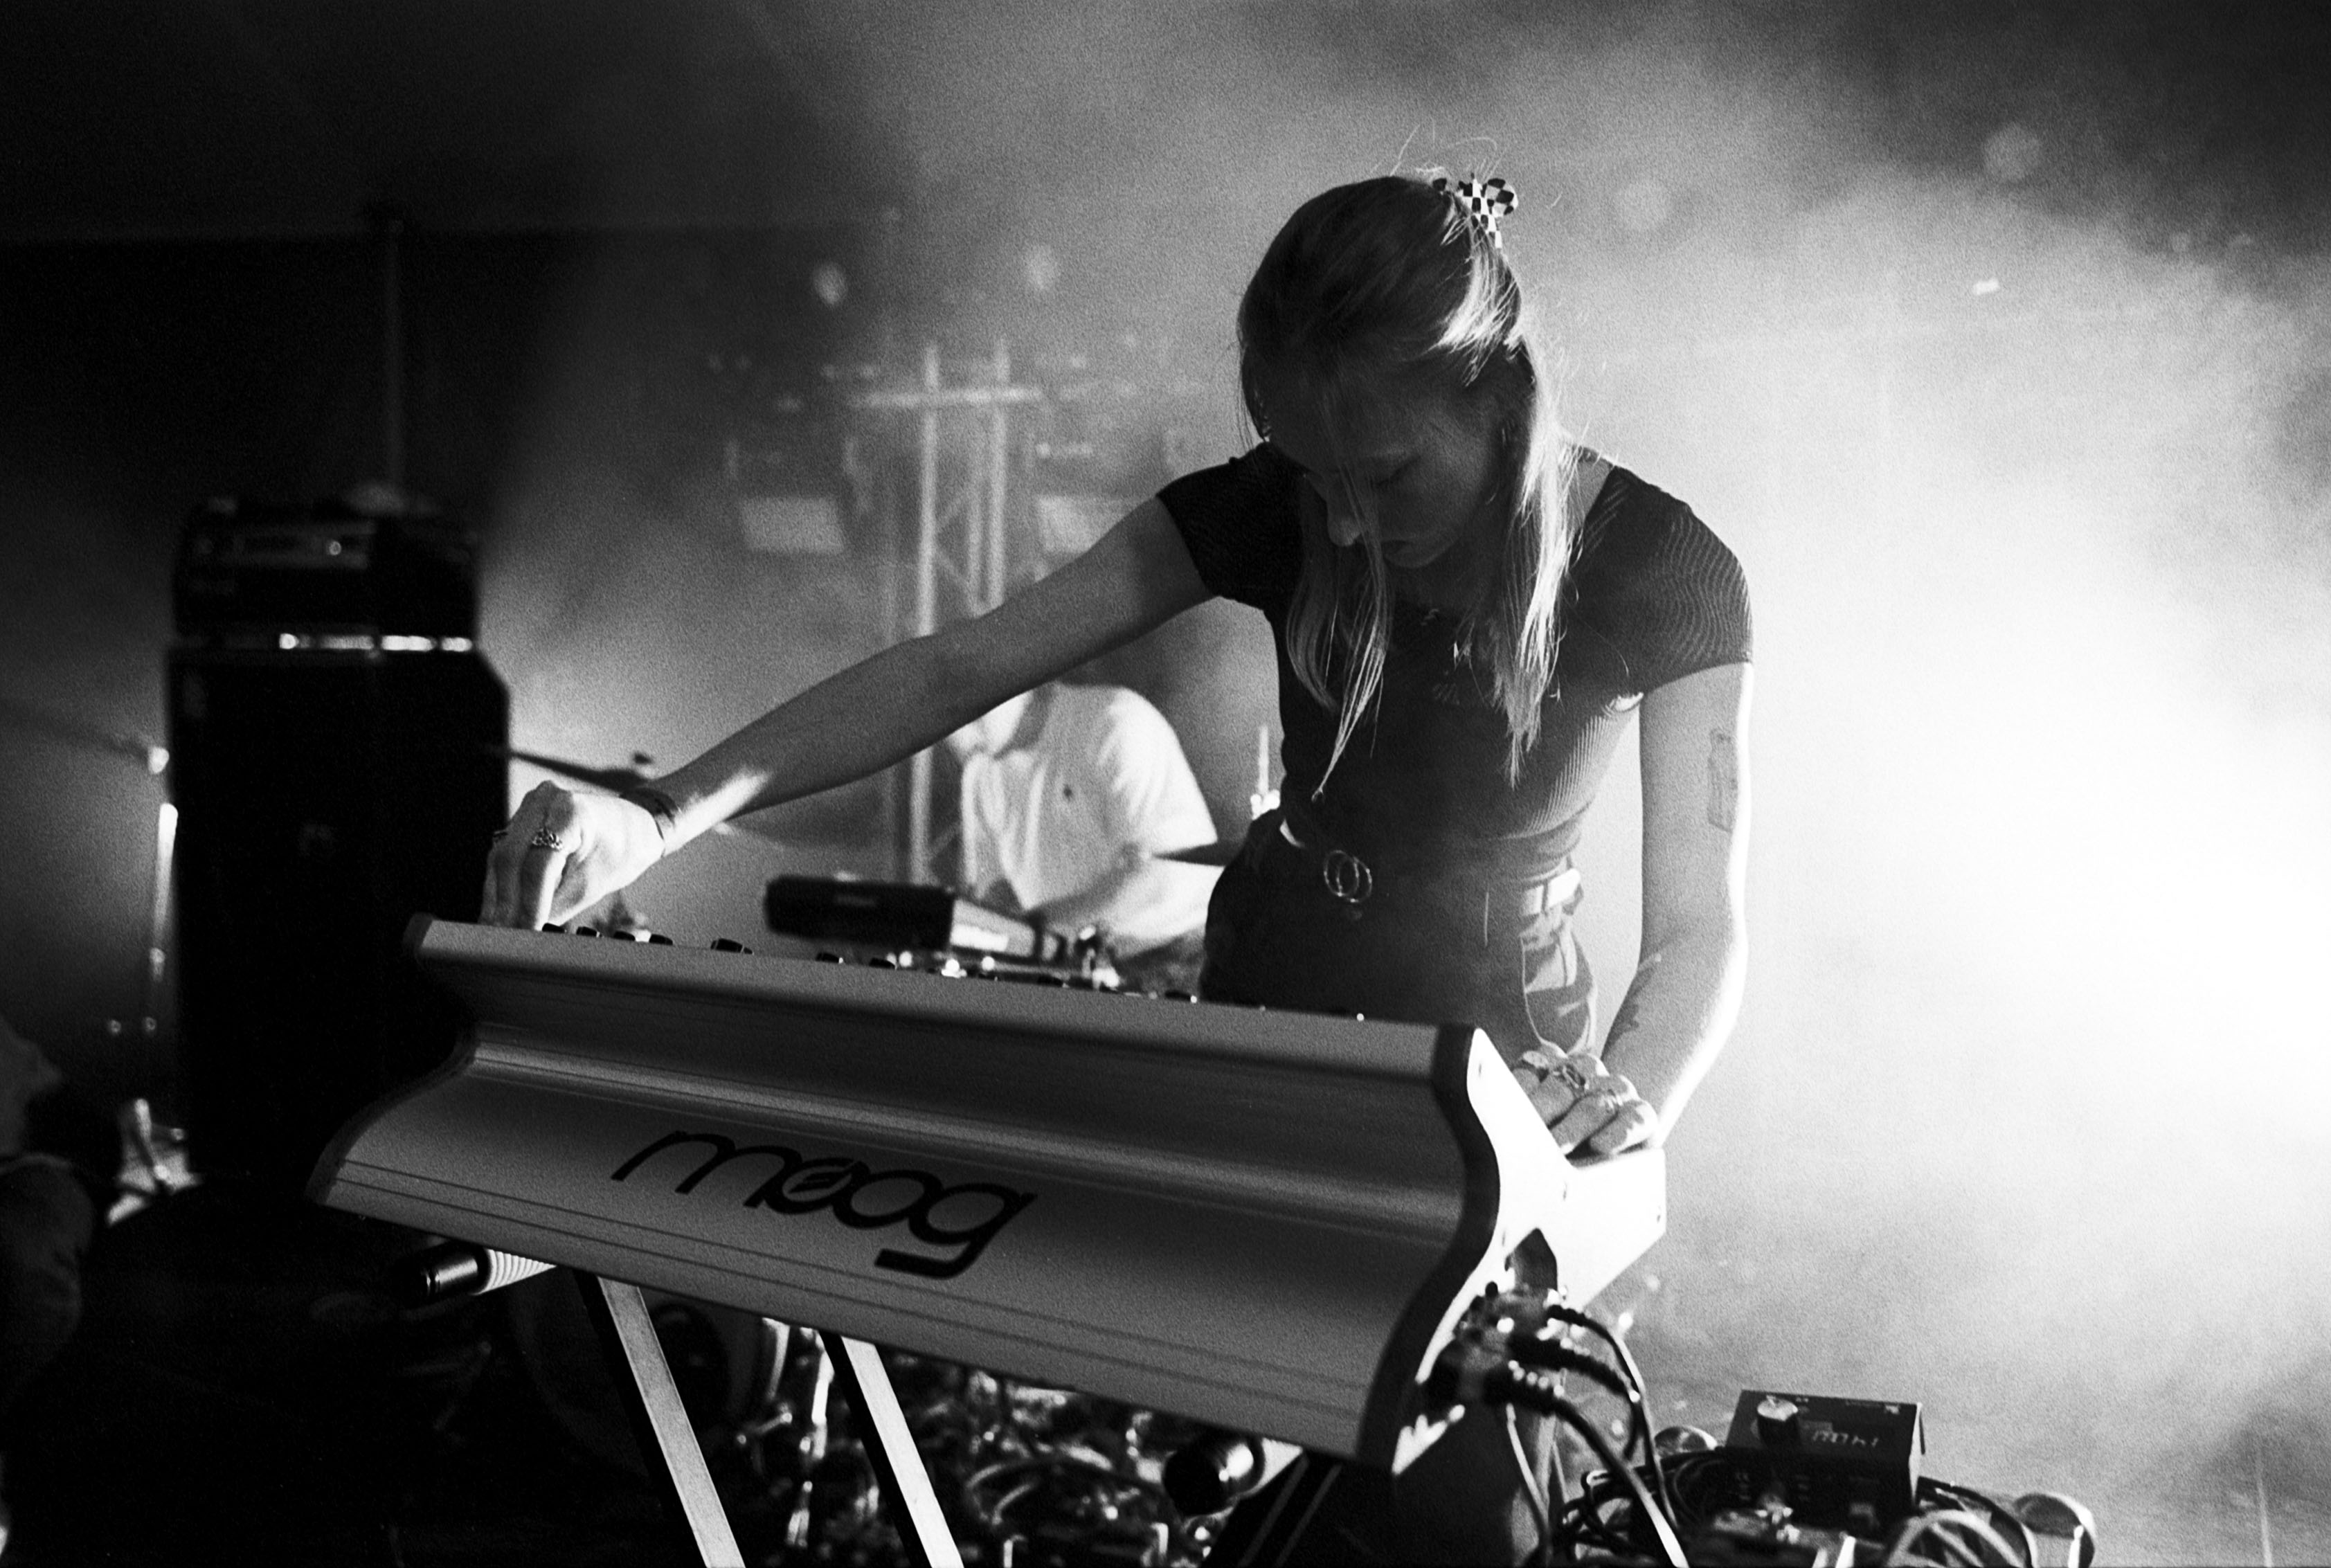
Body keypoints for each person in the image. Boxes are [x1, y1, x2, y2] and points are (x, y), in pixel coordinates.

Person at [481, 171, 1751, 1561]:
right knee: (1253, 1486)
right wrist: (657, 813)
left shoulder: (1667, 568)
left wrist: (1625, 1104)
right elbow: (956, 667)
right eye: (1312, 477)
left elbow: (1699, 928)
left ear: (1495, 389)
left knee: (1470, 1512)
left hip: (1505, 1041)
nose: (1339, 524)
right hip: (1286, 999)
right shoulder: (1279, 505)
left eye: (1383, 476)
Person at [944, 681, 1219, 991]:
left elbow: (1162, 873)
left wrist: (1043, 925)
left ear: (1017, 679)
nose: (957, 730)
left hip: (1181, 958)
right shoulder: (980, 777)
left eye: (964, 705)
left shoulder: (1114, 721)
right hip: (1074, 966)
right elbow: (993, 892)